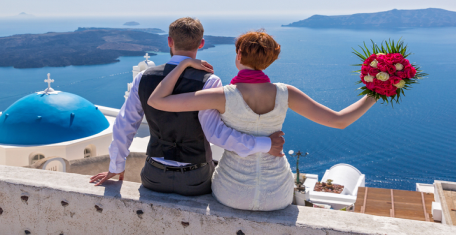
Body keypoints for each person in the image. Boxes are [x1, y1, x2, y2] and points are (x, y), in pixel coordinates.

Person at [148, 30, 378, 211]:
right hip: (277, 193)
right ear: (269, 60)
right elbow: (340, 121)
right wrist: (377, 92)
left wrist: (183, 64)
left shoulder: (222, 95)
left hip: (231, 193)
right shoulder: (287, 93)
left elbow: (158, 100)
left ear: (239, 56)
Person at [90, 18, 286, 196]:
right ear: (201, 43)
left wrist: (116, 165)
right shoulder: (210, 81)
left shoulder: (144, 77)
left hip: (154, 175)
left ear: (169, 42)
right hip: (195, 178)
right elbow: (215, 134)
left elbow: (125, 124)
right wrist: (265, 144)